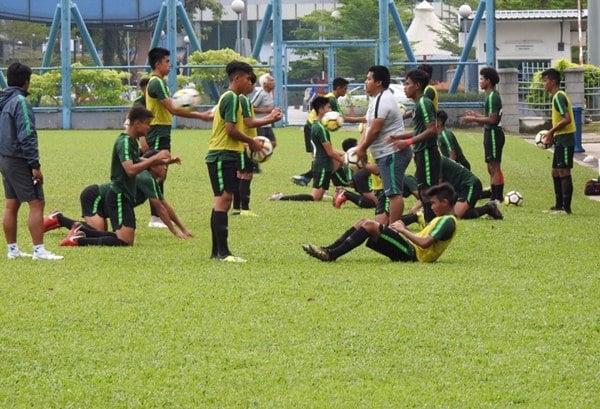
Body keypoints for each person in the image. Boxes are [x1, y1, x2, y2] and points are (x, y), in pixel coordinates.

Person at [58, 106, 170, 247]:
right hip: (117, 194)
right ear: (137, 123)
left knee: (119, 238)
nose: (149, 128)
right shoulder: (124, 142)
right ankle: (76, 237)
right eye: (147, 123)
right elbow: (130, 170)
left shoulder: (131, 142)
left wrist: (163, 160)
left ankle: (77, 233)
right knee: (122, 240)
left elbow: (140, 161)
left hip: (121, 194)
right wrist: (155, 160)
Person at [44, 151, 193, 244]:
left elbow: (165, 206)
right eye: (162, 164)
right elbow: (160, 209)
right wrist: (175, 231)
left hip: (109, 202)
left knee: (104, 234)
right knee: (100, 233)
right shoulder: (145, 178)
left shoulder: (150, 180)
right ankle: (60, 219)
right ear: (152, 166)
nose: (165, 168)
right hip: (94, 197)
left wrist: (183, 228)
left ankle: (61, 221)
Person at [142, 47, 212, 228]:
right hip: (157, 132)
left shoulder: (160, 83)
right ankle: (155, 217)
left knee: (161, 174)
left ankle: (157, 216)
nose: (170, 66)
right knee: (157, 173)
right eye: (167, 62)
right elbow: (172, 109)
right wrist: (201, 116)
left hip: (162, 132)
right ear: (158, 64)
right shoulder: (156, 83)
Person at [302, 183, 457, 263]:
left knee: (370, 225)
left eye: (434, 203)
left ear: (445, 202)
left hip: (413, 255)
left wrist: (403, 230)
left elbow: (425, 244)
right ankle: (328, 249)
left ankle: (331, 255)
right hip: (410, 248)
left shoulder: (448, 221)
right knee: (363, 221)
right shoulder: (442, 218)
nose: (431, 206)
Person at [0, 63, 63, 260]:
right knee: (37, 202)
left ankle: (13, 250)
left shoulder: (3, 100)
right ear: (27, 81)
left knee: (12, 203)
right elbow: (27, 134)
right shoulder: (20, 102)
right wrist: (34, 165)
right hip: (19, 159)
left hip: (4, 158)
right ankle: (39, 250)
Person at [206, 61, 265, 263]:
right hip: (222, 155)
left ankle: (217, 252)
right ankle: (223, 253)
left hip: (226, 154)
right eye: (248, 78)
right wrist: (251, 141)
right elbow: (230, 129)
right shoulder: (231, 97)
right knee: (223, 201)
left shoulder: (234, 99)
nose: (250, 82)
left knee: (223, 201)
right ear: (237, 78)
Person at [354, 65, 411, 223]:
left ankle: (394, 230)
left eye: (369, 79)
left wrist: (362, 149)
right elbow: (368, 126)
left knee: (394, 193)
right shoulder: (375, 100)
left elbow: (375, 129)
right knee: (390, 192)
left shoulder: (384, 99)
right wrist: (360, 147)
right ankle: (391, 225)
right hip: (385, 154)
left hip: (392, 153)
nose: (366, 82)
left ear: (378, 82)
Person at [385, 68, 440, 223]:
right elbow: (419, 130)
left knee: (428, 192)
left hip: (428, 153)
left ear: (417, 85)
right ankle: (430, 224)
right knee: (423, 191)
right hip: (422, 152)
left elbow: (431, 130)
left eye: (407, 84)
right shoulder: (418, 104)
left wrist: (406, 143)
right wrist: (398, 137)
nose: (404, 87)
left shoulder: (424, 102)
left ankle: (432, 226)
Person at [268, 96, 345, 202]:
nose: (331, 110)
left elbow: (328, 148)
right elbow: (330, 152)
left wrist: (343, 154)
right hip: (322, 165)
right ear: (321, 109)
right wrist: (344, 161)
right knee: (315, 197)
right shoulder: (321, 128)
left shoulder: (317, 125)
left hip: (323, 163)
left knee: (319, 195)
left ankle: (338, 190)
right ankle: (281, 197)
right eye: (329, 107)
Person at [291, 77, 365, 186]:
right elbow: (341, 117)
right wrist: (361, 119)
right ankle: (312, 179)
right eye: (345, 89)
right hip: (313, 127)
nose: (346, 91)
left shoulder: (331, 98)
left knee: (325, 156)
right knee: (324, 157)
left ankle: (308, 178)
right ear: (338, 88)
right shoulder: (331, 99)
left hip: (311, 126)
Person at [231, 72, 282, 216]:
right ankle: (245, 209)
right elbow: (249, 122)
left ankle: (237, 208)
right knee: (246, 175)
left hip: (242, 141)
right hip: (246, 142)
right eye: (249, 82)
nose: (252, 85)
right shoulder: (244, 100)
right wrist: (271, 117)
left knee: (240, 174)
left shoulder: (236, 98)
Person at [400, 157, 502, 225]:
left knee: (453, 216)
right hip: (457, 189)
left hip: (470, 185)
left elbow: (436, 189)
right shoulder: (428, 161)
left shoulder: (434, 160)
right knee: (446, 213)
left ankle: (488, 208)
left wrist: (418, 206)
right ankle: (488, 202)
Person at [461, 66, 505, 203]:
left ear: (488, 80)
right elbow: (489, 117)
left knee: (494, 166)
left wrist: (473, 119)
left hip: (493, 134)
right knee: (490, 166)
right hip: (490, 133)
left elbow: (492, 120)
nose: (480, 82)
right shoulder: (491, 96)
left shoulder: (492, 97)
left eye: (482, 79)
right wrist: (477, 115)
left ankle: (497, 197)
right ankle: (494, 194)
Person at [540, 68, 576, 214]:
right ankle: (558, 205)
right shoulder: (556, 96)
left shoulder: (559, 97)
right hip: (560, 139)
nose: (544, 84)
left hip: (565, 138)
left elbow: (566, 119)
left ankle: (566, 209)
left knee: (564, 171)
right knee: (555, 172)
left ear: (553, 82)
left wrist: (550, 131)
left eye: (545, 81)